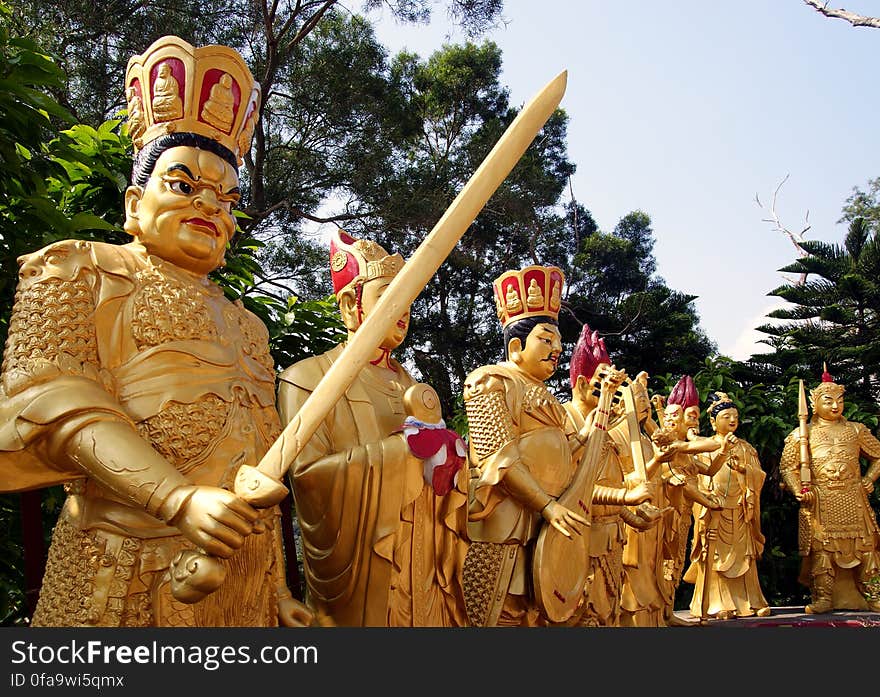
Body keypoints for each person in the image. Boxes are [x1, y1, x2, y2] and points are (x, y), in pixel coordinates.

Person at [0, 35, 312, 627]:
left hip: (237, 579)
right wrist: (177, 498)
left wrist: (274, 591)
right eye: (184, 185)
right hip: (120, 560)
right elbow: (52, 402)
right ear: (133, 203)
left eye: (227, 198)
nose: (211, 207)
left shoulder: (249, 326)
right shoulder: (80, 268)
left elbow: (256, 459)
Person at [277, 229, 470, 627]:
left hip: (424, 561)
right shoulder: (307, 378)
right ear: (351, 304)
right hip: (365, 571)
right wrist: (403, 452)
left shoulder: (414, 387)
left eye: (409, 302)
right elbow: (307, 478)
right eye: (388, 297)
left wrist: (453, 459)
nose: (403, 310)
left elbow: (435, 473)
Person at [461, 264, 594, 627]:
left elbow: (568, 448)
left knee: (543, 610)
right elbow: (498, 460)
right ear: (516, 345)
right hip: (508, 517)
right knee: (503, 607)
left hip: (551, 519)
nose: (557, 350)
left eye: (558, 343)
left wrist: (595, 431)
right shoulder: (490, 381)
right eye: (546, 339)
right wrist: (546, 504)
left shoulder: (548, 396)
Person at [564, 324, 656, 626]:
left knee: (608, 610)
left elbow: (611, 484)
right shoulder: (566, 421)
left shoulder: (607, 429)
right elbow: (573, 489)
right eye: (601, 380)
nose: (611, 389)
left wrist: (632, 515)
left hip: (611, 536)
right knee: (582, 613)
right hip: (577, 537)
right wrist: (625, 497)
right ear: (580, 382)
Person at [779, 367, 880, 614]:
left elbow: (878, 457)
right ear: (814, 403)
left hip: (853, 497)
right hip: (821, 499)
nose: (835, 406)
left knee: (865, 547)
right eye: (828, 401)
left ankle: (874, 594)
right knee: (822, 550)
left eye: (840, 400)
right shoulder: (802, 435)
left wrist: (869, 478)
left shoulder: (856, 430)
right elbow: (787, 468)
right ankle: (823, 597)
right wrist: (799, 489)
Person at [683, 391, 770, 619]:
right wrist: (707, 502)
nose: (732, 421)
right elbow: (695, 478)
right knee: (715, 557)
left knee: (745, 556)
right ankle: (716, 603)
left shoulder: (745, 448)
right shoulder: (703, 447)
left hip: (741, 510)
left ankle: (751, 601)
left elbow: (759, 475)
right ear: (713, 422)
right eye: (726, 416)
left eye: (735, 416)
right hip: (714, 510)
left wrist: (744, 470)